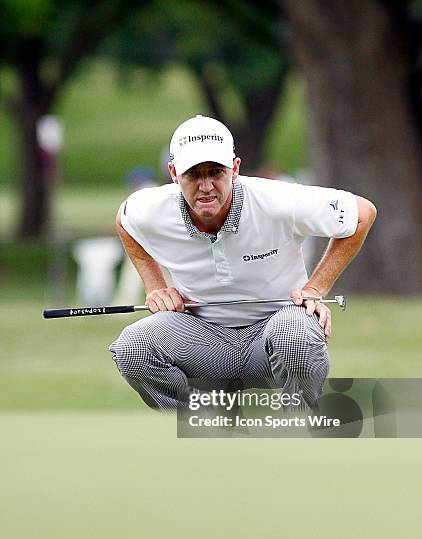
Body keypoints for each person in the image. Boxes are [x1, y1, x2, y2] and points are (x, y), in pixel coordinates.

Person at [109, 115, 376, 412]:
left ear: (235, 168)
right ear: (173, 174)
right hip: (200, 339)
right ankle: (208, 430)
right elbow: (124, 221)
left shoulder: (278, 199)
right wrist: (155, 286)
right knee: (133, 348)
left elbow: (362, 213)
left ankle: (299, 430)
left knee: (296, 333)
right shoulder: (150, 209)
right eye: (193, 174)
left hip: (276, 333)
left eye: (216, 172)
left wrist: (317, 287)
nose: (206, 186)